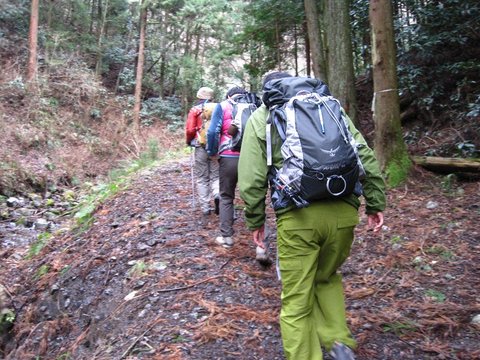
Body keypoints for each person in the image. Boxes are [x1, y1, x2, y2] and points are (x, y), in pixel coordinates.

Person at [238, 72, 386, 360]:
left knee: (296, 297)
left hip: (298, 216)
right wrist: (375, 201)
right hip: (344, 209)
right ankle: (338, 342)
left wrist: (256, 221)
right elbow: (363, 155)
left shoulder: (263, 115)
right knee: (327, 275)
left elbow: (252, 178)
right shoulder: (329, 106)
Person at [206, 86, 249, 248]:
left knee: (226, 196)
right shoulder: (254, 105)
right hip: (250, 157)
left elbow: (212, 132)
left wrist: (212, 151)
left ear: (229, 96)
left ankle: (227, 237)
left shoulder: (223, 106)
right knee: (254, 198)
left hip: (229, 155)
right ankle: (261, 244)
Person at [185, 86, 220, 216]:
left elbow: (190, 130)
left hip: (200, 146)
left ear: (199, 96)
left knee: (202, 177)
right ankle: (217, 194)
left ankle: (205, 207)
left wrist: (189, 141)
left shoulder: (195, 110)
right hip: (215, 146)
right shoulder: (218, 108)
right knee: (216, 175)